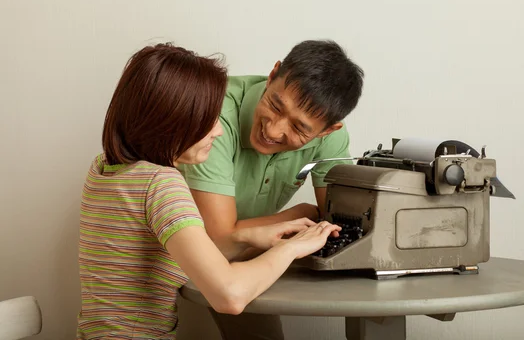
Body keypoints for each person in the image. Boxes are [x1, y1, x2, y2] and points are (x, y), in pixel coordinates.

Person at [76, 43, 341, 340]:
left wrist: (243, 236)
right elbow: (230, 295)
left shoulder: (105, 169)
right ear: (171, 119)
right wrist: (291, 248)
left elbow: (175, 255)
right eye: (208, 118)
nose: (218, 131)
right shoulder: (161, 185)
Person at [179, 39, 364, 340]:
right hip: (169, 258)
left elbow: (338, 221)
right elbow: (217, 240)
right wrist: (299, 214)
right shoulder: (214, 115)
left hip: (241, 255)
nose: (274, 130)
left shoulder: (328, 139)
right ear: (273, 73)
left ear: (328, 130)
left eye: (299, 129)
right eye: (275, 105)